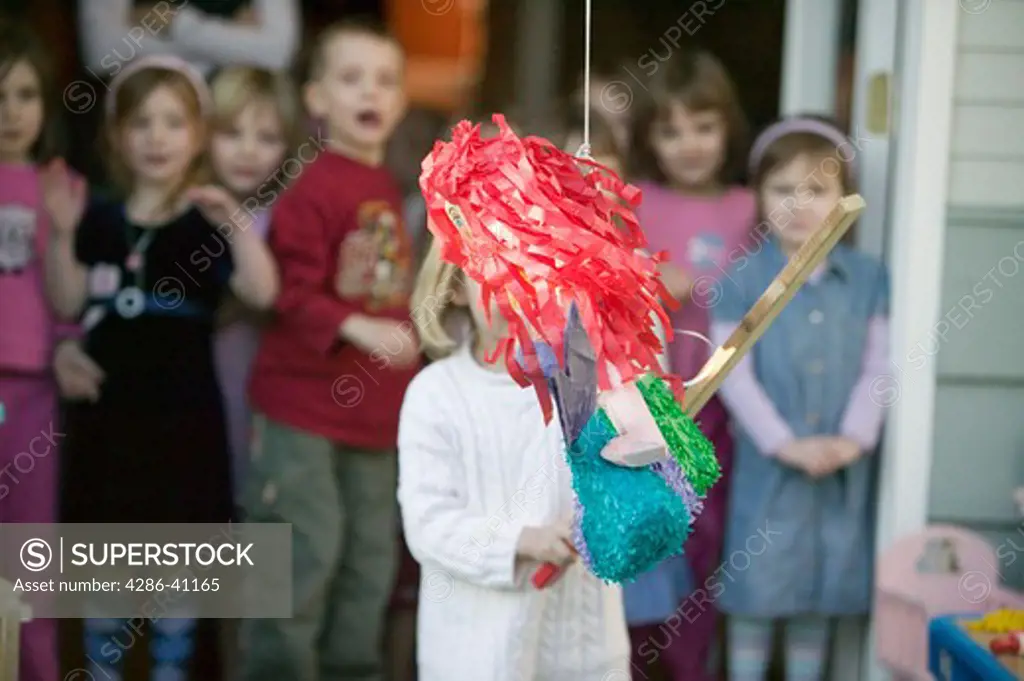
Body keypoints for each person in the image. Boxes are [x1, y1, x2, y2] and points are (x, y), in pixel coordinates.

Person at [43, 54, 278, 681]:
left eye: (173, 122)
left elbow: (262, 291)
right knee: (105, 571)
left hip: (183, 426)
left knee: (177, 577)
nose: (156, 137)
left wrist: (234, 223)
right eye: (141, 122)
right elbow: (67, 300)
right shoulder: (98, 217)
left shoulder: (204, 220)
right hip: (108, 425)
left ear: (197, 135)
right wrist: (64, 233)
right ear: (117, 135)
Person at [237, 20, 420, 681]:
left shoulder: (386, 186)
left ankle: (352, 667)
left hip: (375, 416)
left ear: (400, 101)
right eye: (350, 79)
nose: (370, 92)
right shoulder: (312, 184)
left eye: (385, 80)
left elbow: (388, 289)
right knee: (300, 552)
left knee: (370, 557)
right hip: (303, 408)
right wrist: (357, 328)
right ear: (316, 99)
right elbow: (289, 293)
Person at [396, 238, 631, 681]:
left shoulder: (590, 381)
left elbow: (626, 485)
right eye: (494, 273)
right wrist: (524, 542)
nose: (517, 291)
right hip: (476, 651)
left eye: (533, 270)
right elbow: (428, 524)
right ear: (457, 288)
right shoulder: (436, 394)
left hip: (582, 643)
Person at [710, 116, 890, 681]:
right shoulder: (741, 279)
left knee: (819, 593)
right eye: (783, 189)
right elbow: (730, 372)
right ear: (759, 196)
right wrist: (784, 443)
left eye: (817, 190)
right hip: (772, 469)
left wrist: (854, 437)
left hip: (839, 468)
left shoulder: (867, 278)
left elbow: (879, 367)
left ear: (845, 197)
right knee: (757, 593)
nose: (800, 204)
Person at [622, 49, 755, 681]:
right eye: (670, 130)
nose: (690, 144)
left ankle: (693, 665)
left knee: (709, 538)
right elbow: (607, 285)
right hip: (648, 406)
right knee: (652, 537)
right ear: (647, 137)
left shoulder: (748, 209)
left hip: (726, 407)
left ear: (728, 127)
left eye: (704, 126)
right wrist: (653, 277)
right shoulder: (636, 200)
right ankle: (639, 663)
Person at [0, 20, 80, 681]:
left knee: (29, 554)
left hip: (33, 391)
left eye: (24, 94)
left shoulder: (62, 186)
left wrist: (60, 231)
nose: (11, 111)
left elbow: (68, 299)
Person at [208, 65, 304, 500]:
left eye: (266, 138)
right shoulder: (188, 207)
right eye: (231, 133)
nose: (247, 151)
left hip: (261, 374)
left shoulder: (288, 215)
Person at [78, 0, 301, 78]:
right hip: (145, 108)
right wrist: (232, 40)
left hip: (233, 115)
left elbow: (277, 53)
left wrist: (175, 24)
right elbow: (102, 53)